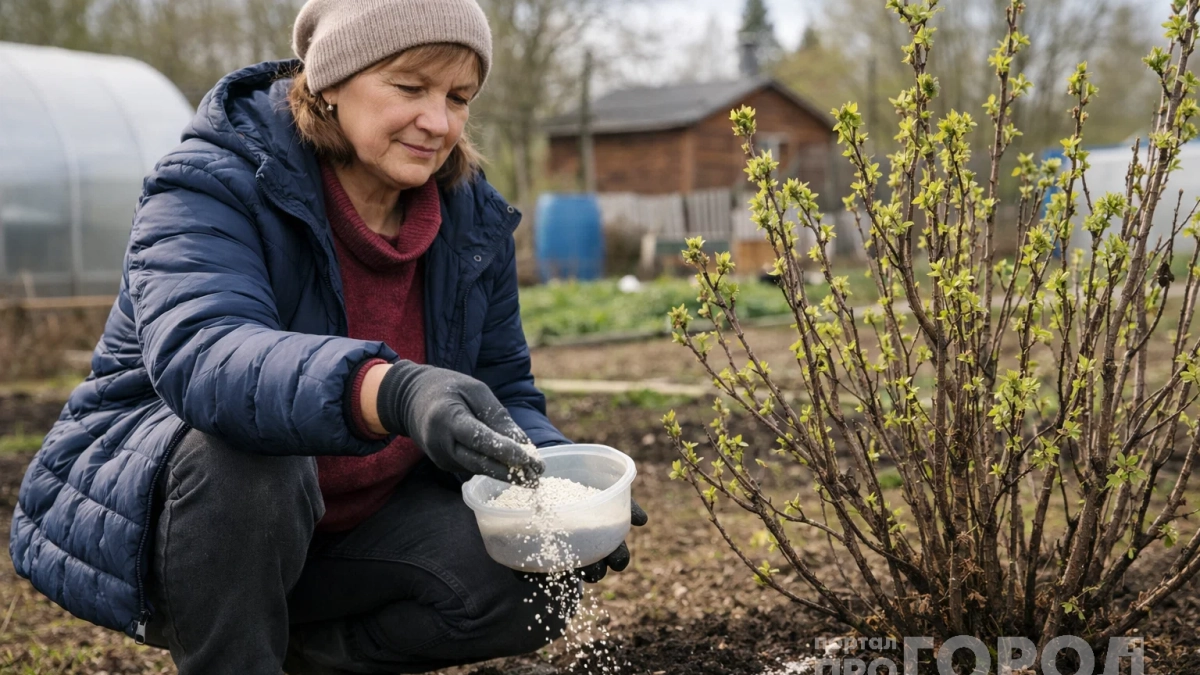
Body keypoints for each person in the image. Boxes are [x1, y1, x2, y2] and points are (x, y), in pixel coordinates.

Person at [8, 0, 647, 672]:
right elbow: (206, 354)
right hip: (191, 527)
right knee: (253, 462)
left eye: (458, 97)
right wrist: (391, 388)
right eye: (410, 88)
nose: (439, 121)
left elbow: (502, 388)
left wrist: (556, 485)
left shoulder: (469, 220)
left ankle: (310, 656)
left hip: (357, 529)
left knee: (531, 577)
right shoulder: (211, 183)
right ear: (331, 82)